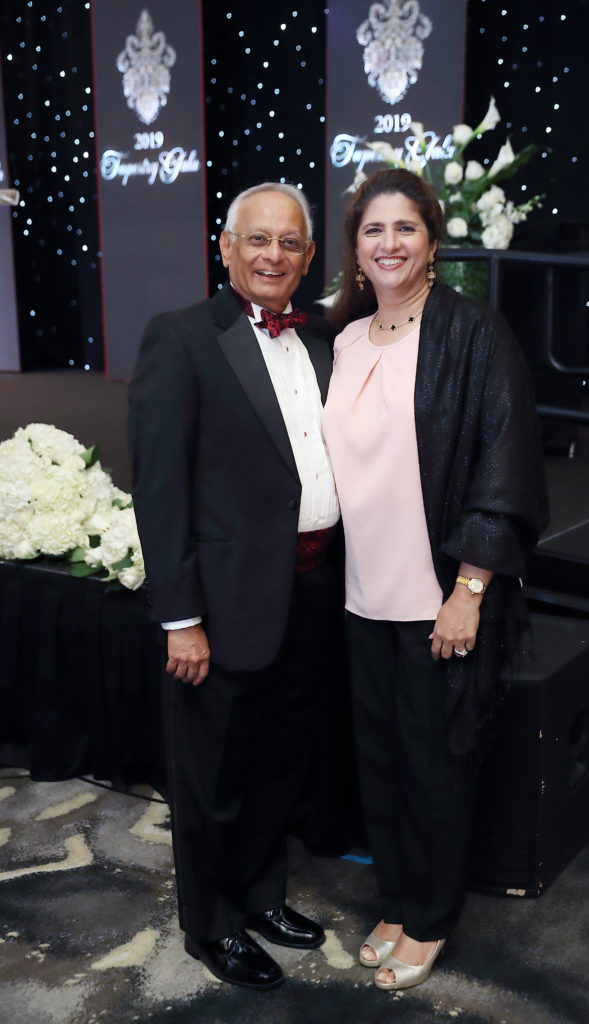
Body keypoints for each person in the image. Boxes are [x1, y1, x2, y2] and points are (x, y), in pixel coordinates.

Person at [322, 169, 548, 991]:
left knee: (435, 765)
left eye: (405, 229)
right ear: (355, 248)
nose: (388, 243)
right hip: (358, 594)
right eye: (372, 229)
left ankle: (430, 919)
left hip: (435, 597)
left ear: (431, 241)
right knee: (379, 762)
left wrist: (470, 587)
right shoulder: (343, 341)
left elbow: (504, 463)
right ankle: (395, 899)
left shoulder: (472, 335)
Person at [128, 182, 341, 991]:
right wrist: (180, 617)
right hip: (220, 604)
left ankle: (260, 896)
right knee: (211, 777)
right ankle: (210, 923)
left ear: (309, 257)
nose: (272, 256)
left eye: (289, 244)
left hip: (314, 589)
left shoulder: (322, 338)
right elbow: (160, 488)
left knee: (279, 763)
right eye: (256, 240)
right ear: (224, 247)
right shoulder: (180, 338)